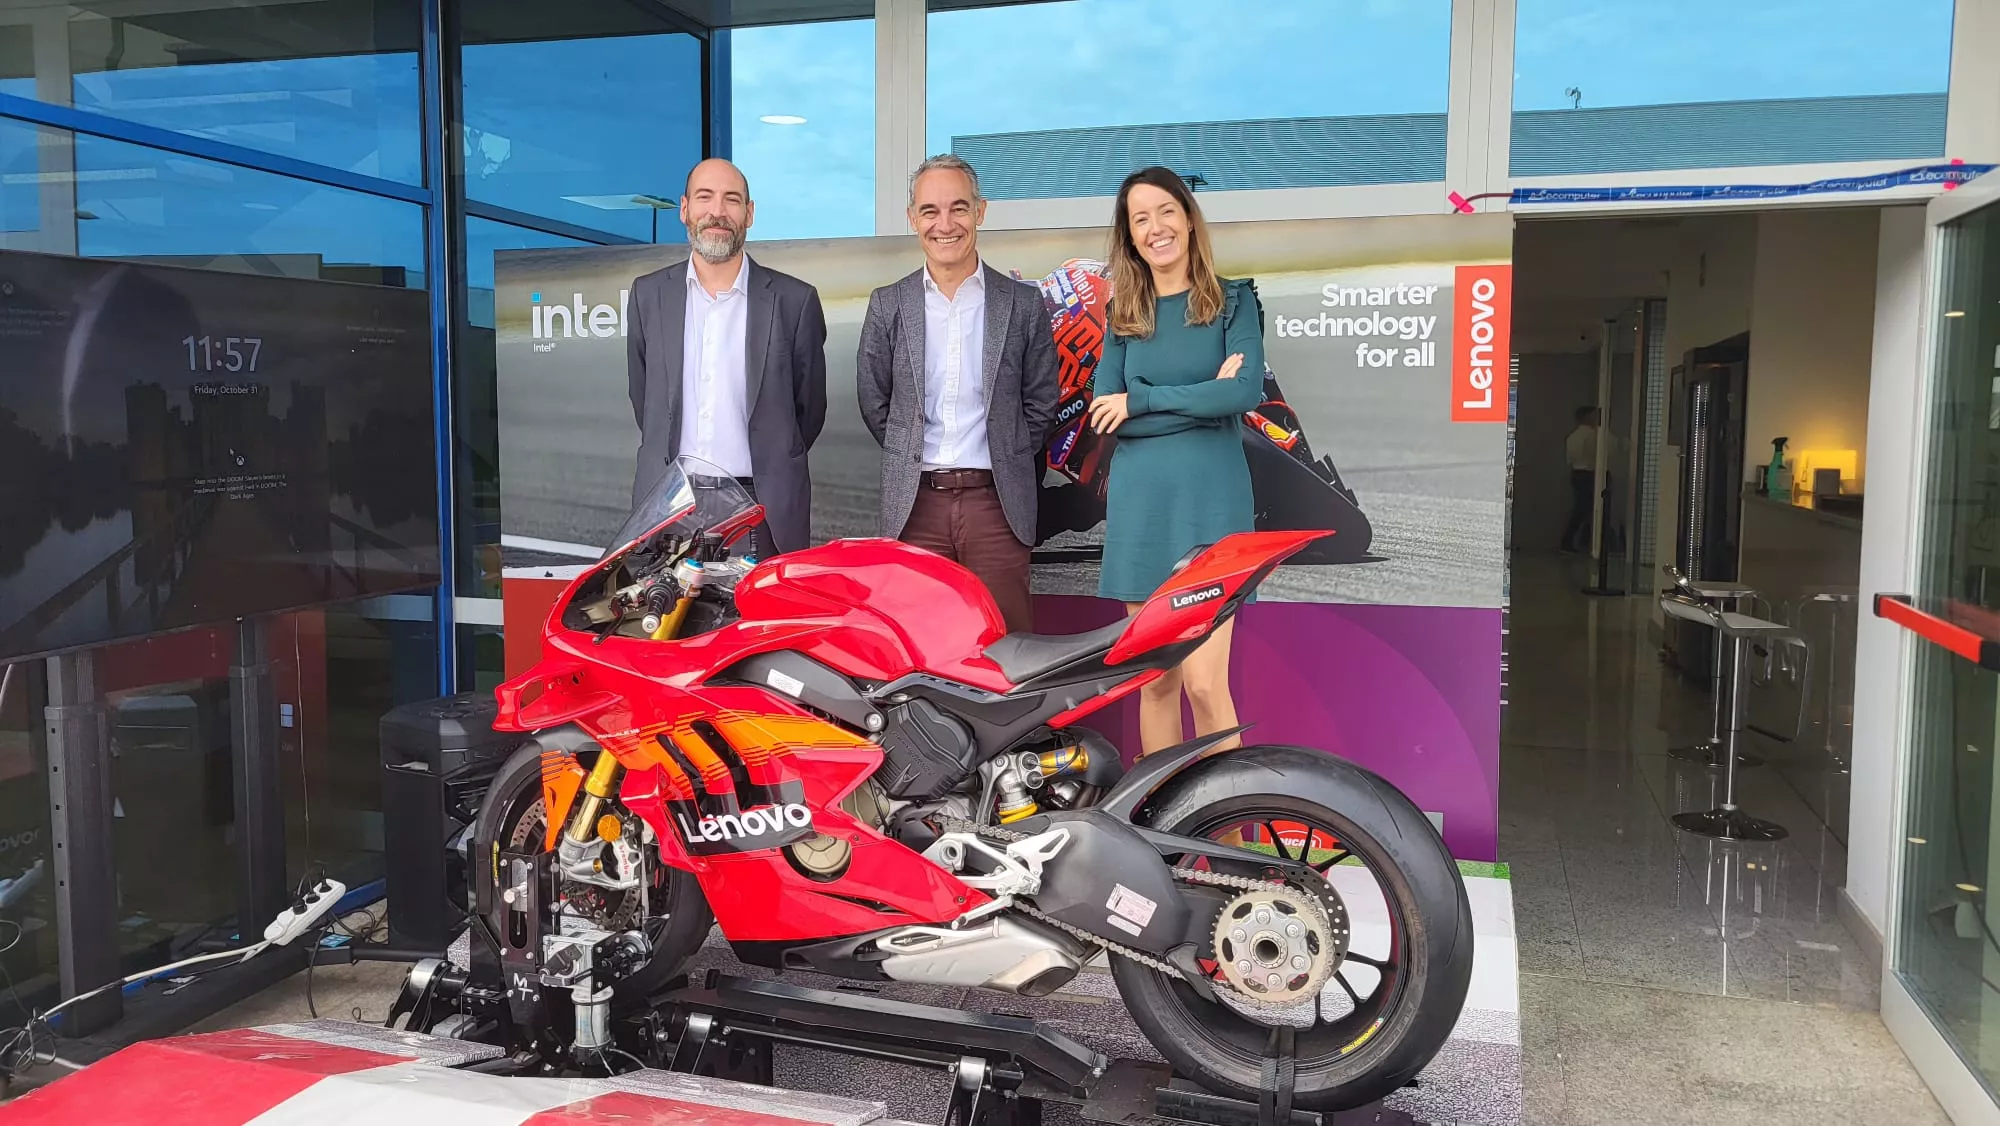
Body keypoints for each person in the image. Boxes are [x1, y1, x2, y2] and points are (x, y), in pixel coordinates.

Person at [1085, 166, 1264, 755]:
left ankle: (1228, 838)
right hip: (1142, 511)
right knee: (1155, 683)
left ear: (1188, 217)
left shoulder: (1234, 300)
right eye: (1140, 218)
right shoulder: (1122, 317)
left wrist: (1143, 401)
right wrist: (1202, 399)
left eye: (1165, 211)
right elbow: (1104, 414)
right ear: (1129, 235)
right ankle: (1163, 842)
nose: (1155, 227)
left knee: (1205, 684)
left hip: (1211, 508)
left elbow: (1242, 393)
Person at [857, 154, 1060, 632]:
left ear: (981, 212)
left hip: (997, 506)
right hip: (915, 508)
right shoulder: (889, 304)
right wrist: (908, 451)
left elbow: (1041, 401)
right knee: (920, 649)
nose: (944, 224)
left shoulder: (1023, 305)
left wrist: (1007, 454)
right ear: (912, 219)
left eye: (959, 208)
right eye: (930, 211)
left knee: (1005, 650)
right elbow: (875, 400)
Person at [626, 157, 828, 557]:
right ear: (685, 209)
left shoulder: (794, 301)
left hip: (759, 512)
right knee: (668, 622)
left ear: (749, 214)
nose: (717, 212)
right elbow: (644, 397)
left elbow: (807, 412)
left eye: (731, 200)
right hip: (668, 509)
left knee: (760, 622)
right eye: (705, 197)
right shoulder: (649, 295)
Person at [1561, 405, 1600, 554]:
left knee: (1581, 509)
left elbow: (1570, 459)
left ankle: (1573, 540)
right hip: (1589, 473)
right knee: (1588, 509)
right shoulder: (1593, 436)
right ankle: (1577, 540)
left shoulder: (1573, 436)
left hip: (1577, 473)